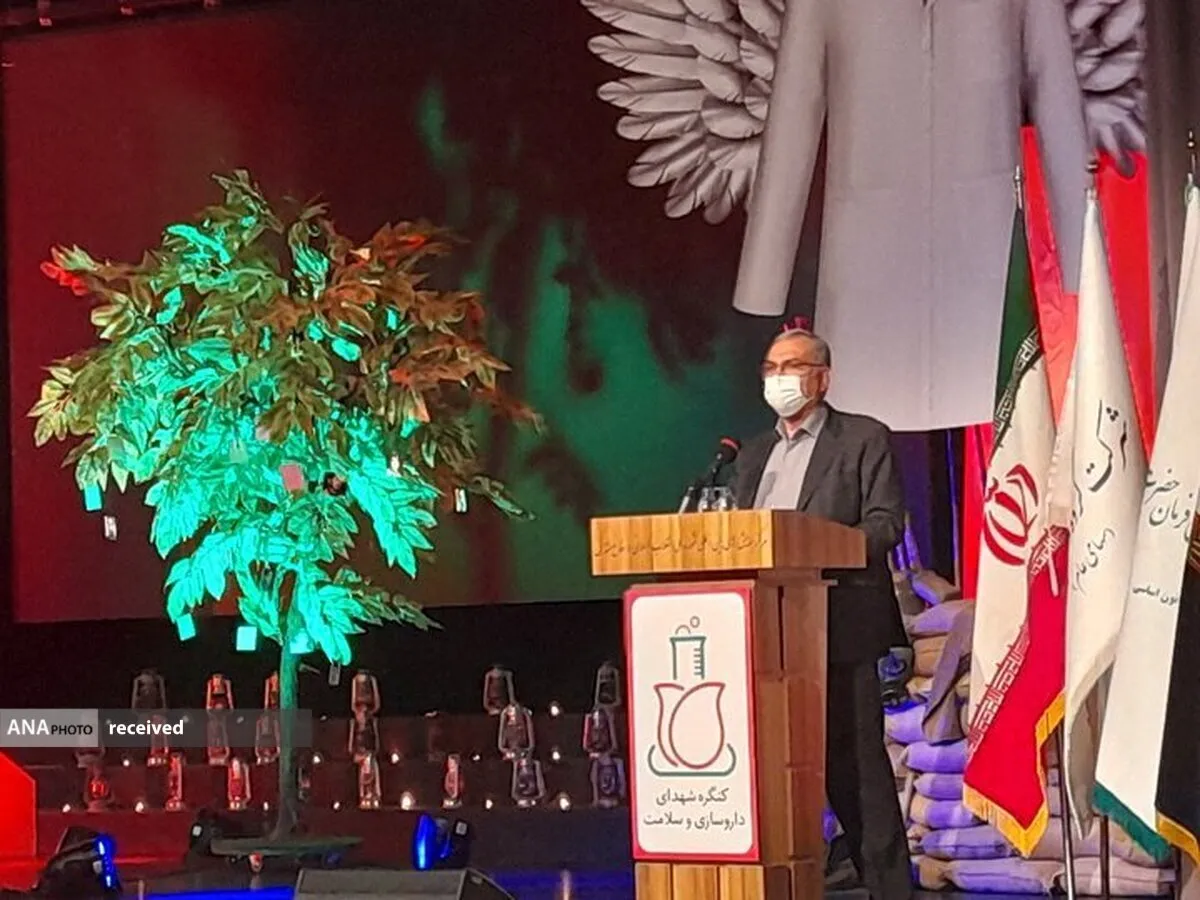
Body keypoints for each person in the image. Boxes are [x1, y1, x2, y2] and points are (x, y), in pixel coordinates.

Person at [730, 322, 912, 900]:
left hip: (839, 624)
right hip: (766, 631)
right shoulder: (751, 455)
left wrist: (816, 547)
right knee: (771, 768)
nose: (779, 379)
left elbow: (885, 524)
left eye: (793, 367)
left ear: (823, 378)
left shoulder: (862, 438)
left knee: (855, 767)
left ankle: (888, 887)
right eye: (771, 369)